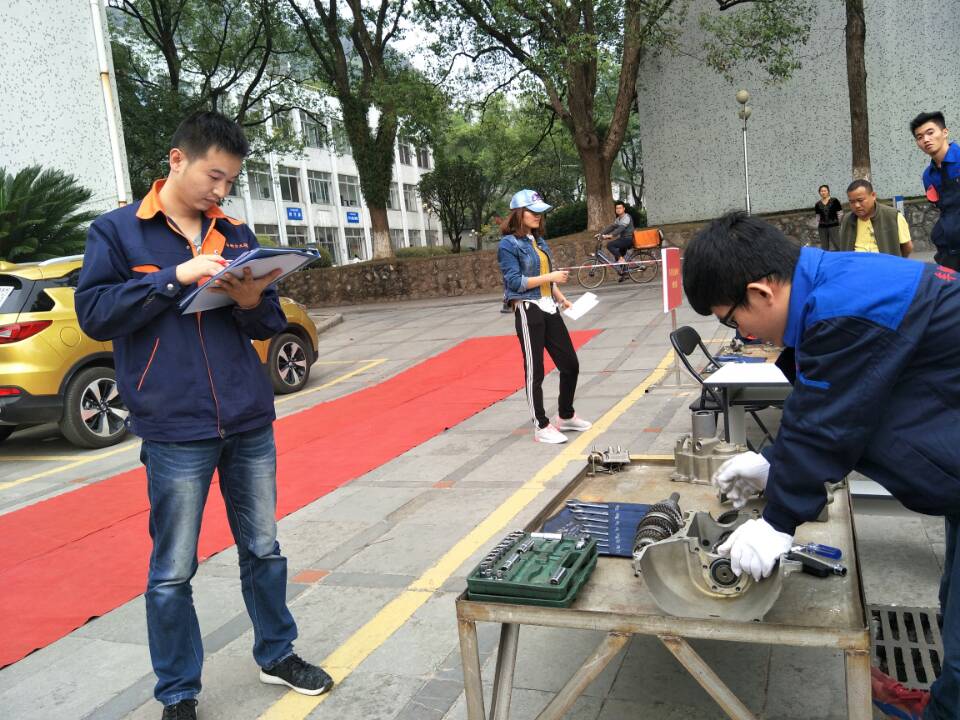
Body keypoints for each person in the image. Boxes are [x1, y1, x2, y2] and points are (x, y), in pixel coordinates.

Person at [75, 111, 332, 720]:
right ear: (177, 160)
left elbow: (268, 323)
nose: (221, 190)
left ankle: (277, 653)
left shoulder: (235, 232)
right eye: (214, 176)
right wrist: (173, 278)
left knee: (264, 548)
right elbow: (95, 314)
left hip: (246, 417)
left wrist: (252, 300)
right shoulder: (117, 233)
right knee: (171, 571)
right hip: (174, 427)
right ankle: (178, 693)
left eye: (230, 181)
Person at [682, 211, 960, 720]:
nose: (741, 333)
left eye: (731, 320)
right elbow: (834, 402)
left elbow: (827, 422)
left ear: (760, 292)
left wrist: (779, 520)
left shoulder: (843, 311)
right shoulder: (833, 286)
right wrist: (773, 462)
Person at [497, 189, 592, 444]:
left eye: (540, 212)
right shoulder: (508, 244)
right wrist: (550, 277)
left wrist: (561, 297)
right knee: (535, 370)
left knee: (570, 364)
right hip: (528, 309)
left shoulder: (538, 240)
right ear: (519, 213)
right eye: (533, 211)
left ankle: (566, 415)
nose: (538, 216)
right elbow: (515, 282)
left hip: (549, 306)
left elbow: (547, 276)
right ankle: (541, 425)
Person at [912, 111, 960, 270]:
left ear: (945, 132)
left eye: (930, 132)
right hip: (949, 251)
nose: (926, 139)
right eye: (919, 137)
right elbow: (943, 209)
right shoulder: (928, 176)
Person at [839, 179, 913, 257]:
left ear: (873, 196)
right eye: (852, 202)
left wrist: (896, 262)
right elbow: (844, 247)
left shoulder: (893, 216)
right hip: (856, 264)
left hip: (885, 263)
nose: (857, 205)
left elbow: (907, 247)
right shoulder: (847, 219)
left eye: (860, 200)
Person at [600, 201, 635, 282]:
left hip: (628, 239)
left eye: (620, 208)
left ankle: (622, 260)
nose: (618, 209)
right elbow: (612, 227)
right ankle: (625, 274)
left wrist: (611, 235)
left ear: (624, 209)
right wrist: (601, 234)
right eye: (617, 208)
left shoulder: (626, 217)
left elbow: (620, 229)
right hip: (624, 239)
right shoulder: (618, 219)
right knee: (617, 255)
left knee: (610, 245)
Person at [813, 184, 842, 250]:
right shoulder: (817, 204)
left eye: (825, 191)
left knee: (838, 244)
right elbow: (817, 217)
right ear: (819, 192)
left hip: (834, 226)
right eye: (821, 191)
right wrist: (818, 225)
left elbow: (840, 213)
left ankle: (842, 255)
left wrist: (838, 223)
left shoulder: (835, 201)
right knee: (824, 246)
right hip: (822, 227)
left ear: (828, 191)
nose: (823, 192)